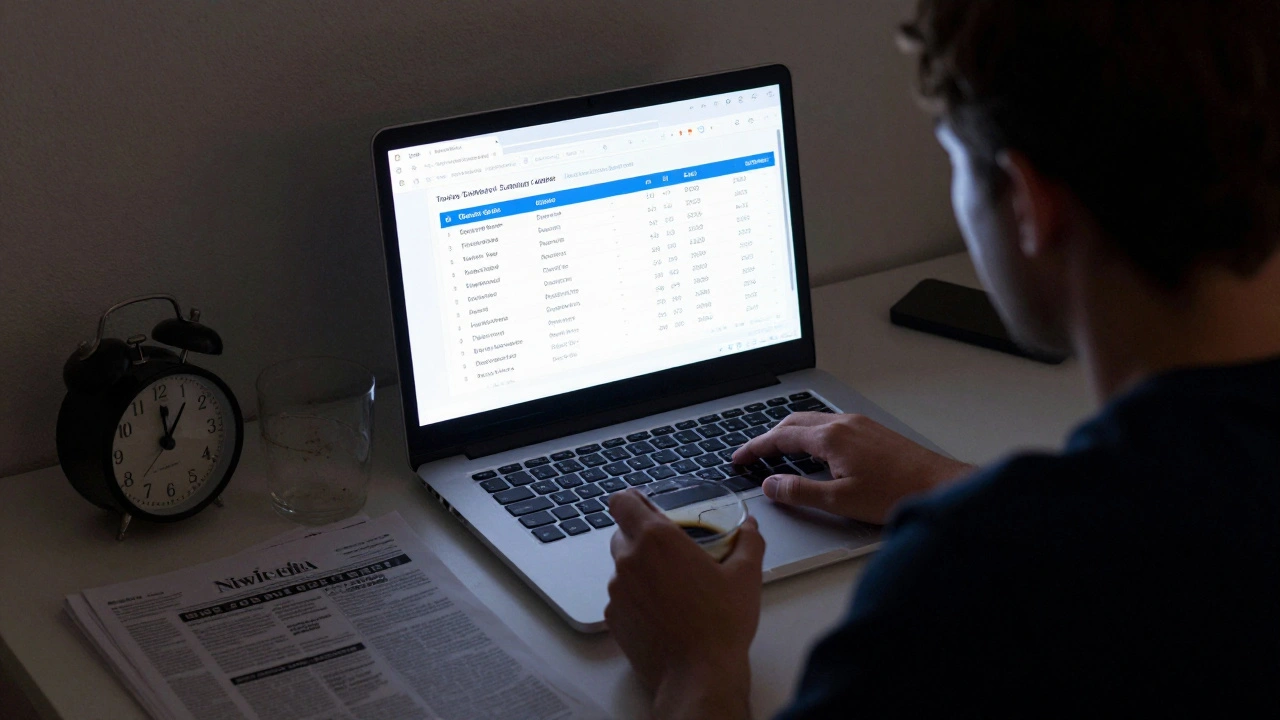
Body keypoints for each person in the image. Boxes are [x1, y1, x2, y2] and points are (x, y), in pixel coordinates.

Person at [604, 1, 1280, 717]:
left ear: (1028, 203)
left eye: (954, 163)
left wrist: (696, 665)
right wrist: (944, 482)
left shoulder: (972, 587)